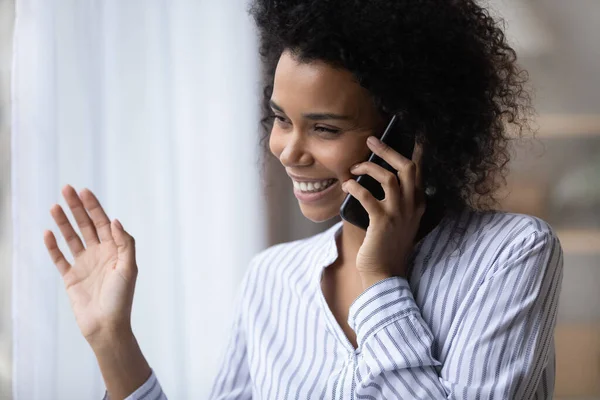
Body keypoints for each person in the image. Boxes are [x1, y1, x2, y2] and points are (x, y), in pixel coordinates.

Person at [43, 0, 564, 399]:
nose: (288, 150)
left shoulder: (511, 255)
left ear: (410, 134)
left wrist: (381, 279)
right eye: (281, 118)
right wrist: (112, 340)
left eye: (324, 128)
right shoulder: (272, 278)